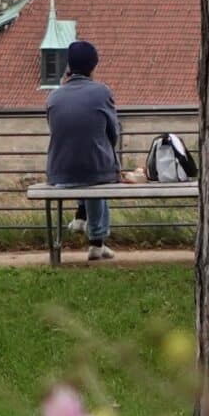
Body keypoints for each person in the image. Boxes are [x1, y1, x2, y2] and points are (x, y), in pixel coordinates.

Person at [45, 39, 127, 261]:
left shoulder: (53, 96)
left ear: (68, 65)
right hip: (95, 171)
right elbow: (113, 133)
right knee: (96, 171)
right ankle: (96, 241)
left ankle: (82, 217)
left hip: (59, 172)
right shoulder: (102, 92)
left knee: (86, 161)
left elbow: (57, 130)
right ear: (93, 66)